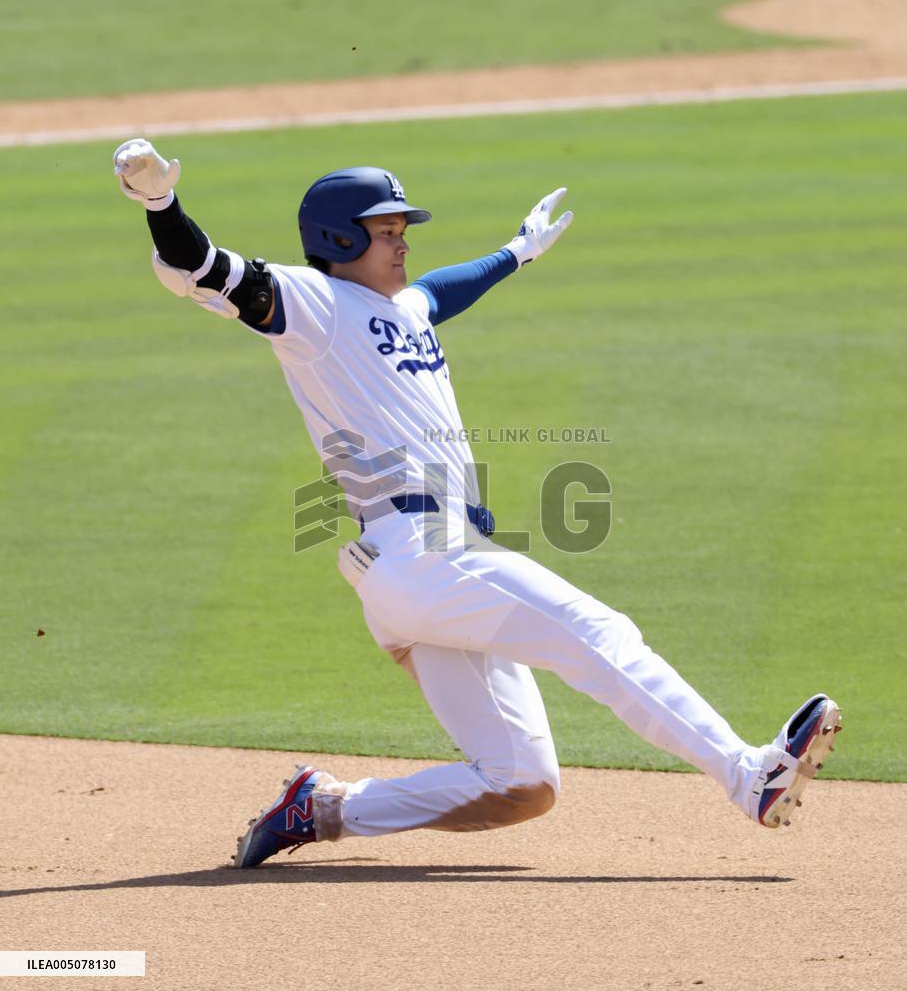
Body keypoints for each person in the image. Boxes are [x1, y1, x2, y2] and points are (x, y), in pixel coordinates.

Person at [112, 138, 841, 869]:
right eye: (386, 231)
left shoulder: (404, 309)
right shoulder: (314, 304)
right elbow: (205, 267)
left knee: (522, 784)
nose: (401, 244)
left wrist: (516, 253)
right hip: (422, 552)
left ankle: (325, 808)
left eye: (403, 231)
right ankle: (751, 778)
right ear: (340, 238)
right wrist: (160, 204)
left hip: (412, 575)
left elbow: (445, 290)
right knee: (598, 632)